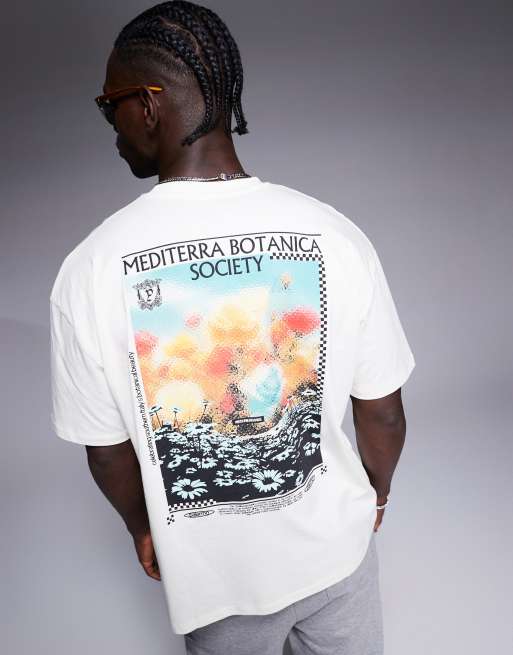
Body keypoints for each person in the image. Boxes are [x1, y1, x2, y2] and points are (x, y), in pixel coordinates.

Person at [49, 1, 415, 653]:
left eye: (111, 105)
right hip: (339, 556)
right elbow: (382, 411)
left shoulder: (92, 266)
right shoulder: (333, 232)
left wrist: (142, 526)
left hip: (219, 583)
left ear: (148, 105)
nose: (112, 124)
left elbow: (105, 451)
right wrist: (374, 494)